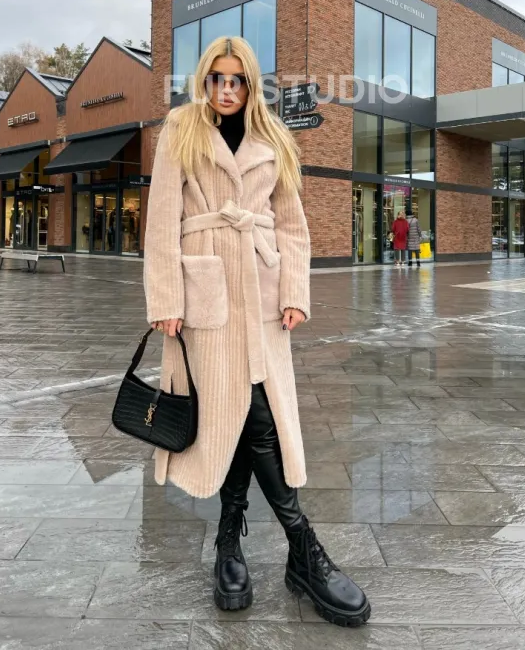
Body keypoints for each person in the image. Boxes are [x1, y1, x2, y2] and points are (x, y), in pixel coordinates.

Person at [144, 36, 370, 627]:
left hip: (264, 294)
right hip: (206, 293)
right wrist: (166, 299)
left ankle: (236, 543)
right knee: (238, 413)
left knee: (253, 413)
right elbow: (161, 219)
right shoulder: (181, 128)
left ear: (250, 84)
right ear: (204, 80)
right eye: (217, 78)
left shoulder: (274, 137)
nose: (226, 90)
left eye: (237, 79)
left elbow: (292, 224)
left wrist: (295, 291)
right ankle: (300, 549)